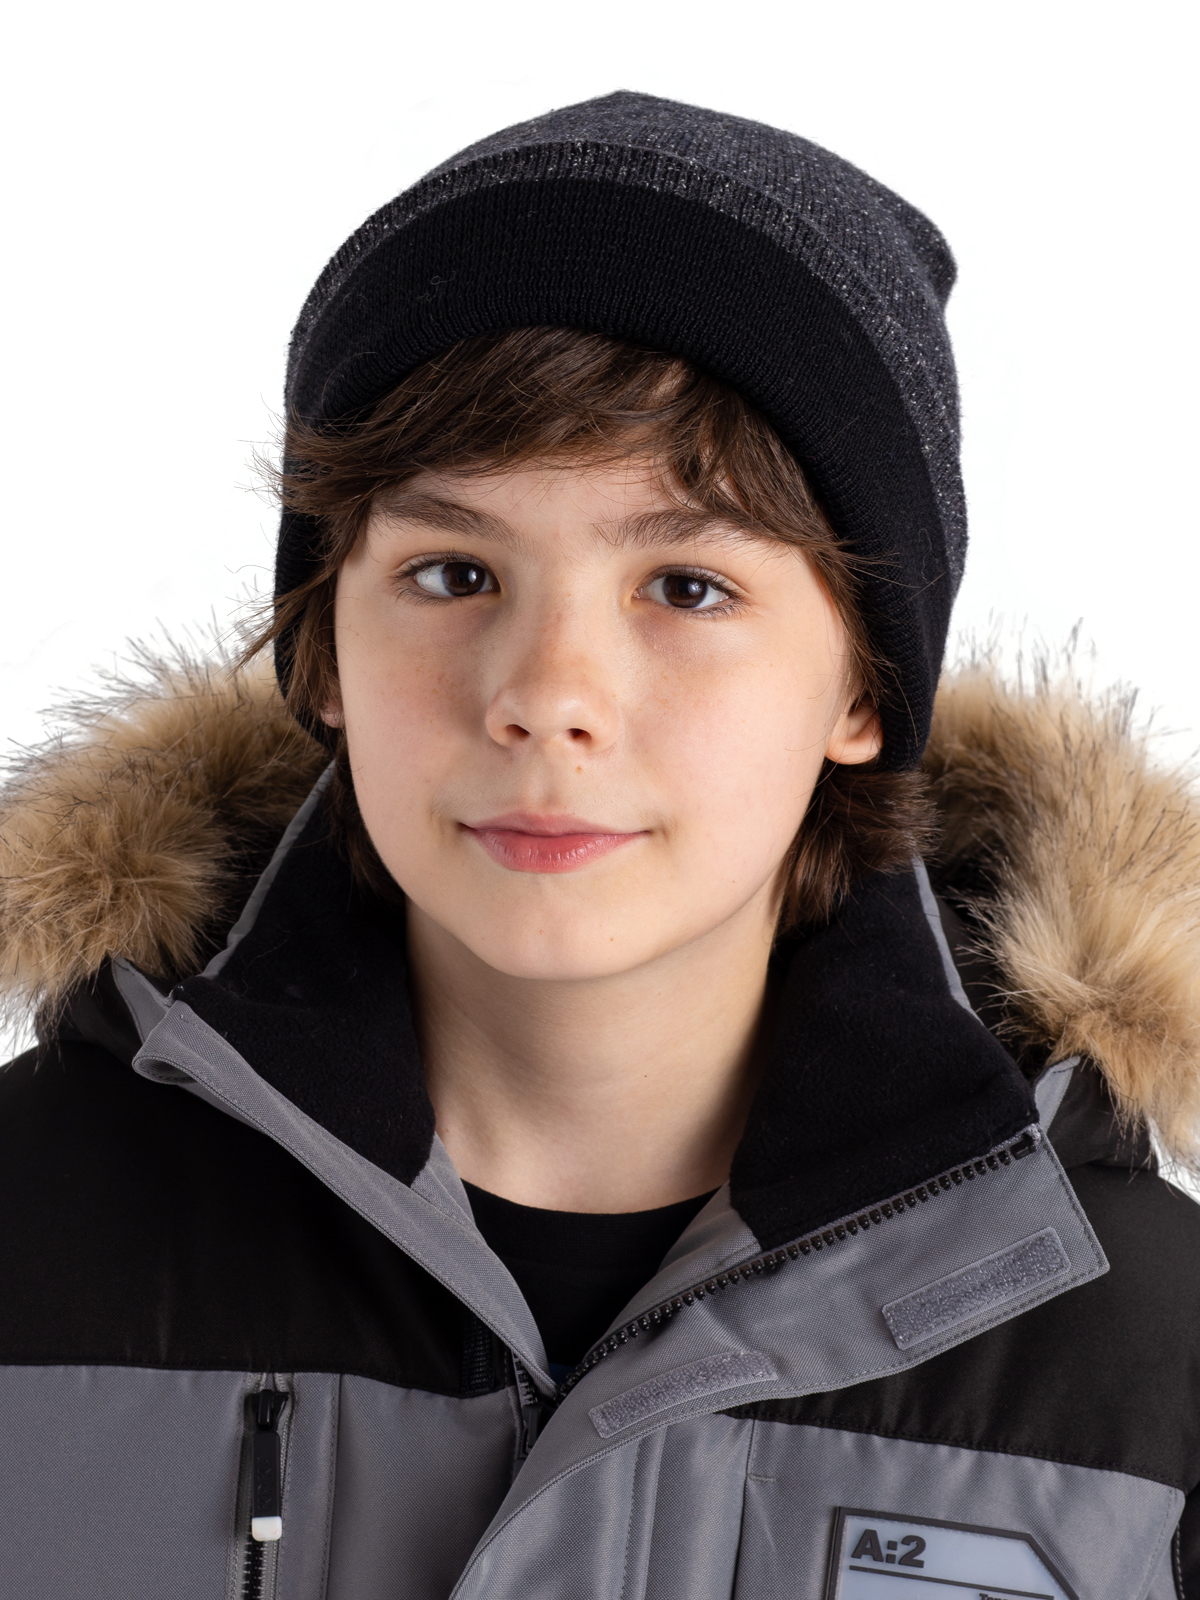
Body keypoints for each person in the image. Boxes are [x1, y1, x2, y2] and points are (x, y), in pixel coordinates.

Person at [1, 90, 1197, 1600]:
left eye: (687, 587)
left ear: (863, 688)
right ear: (321, 654)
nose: (547, 696)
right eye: (453, 573)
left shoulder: (1151, 1359)